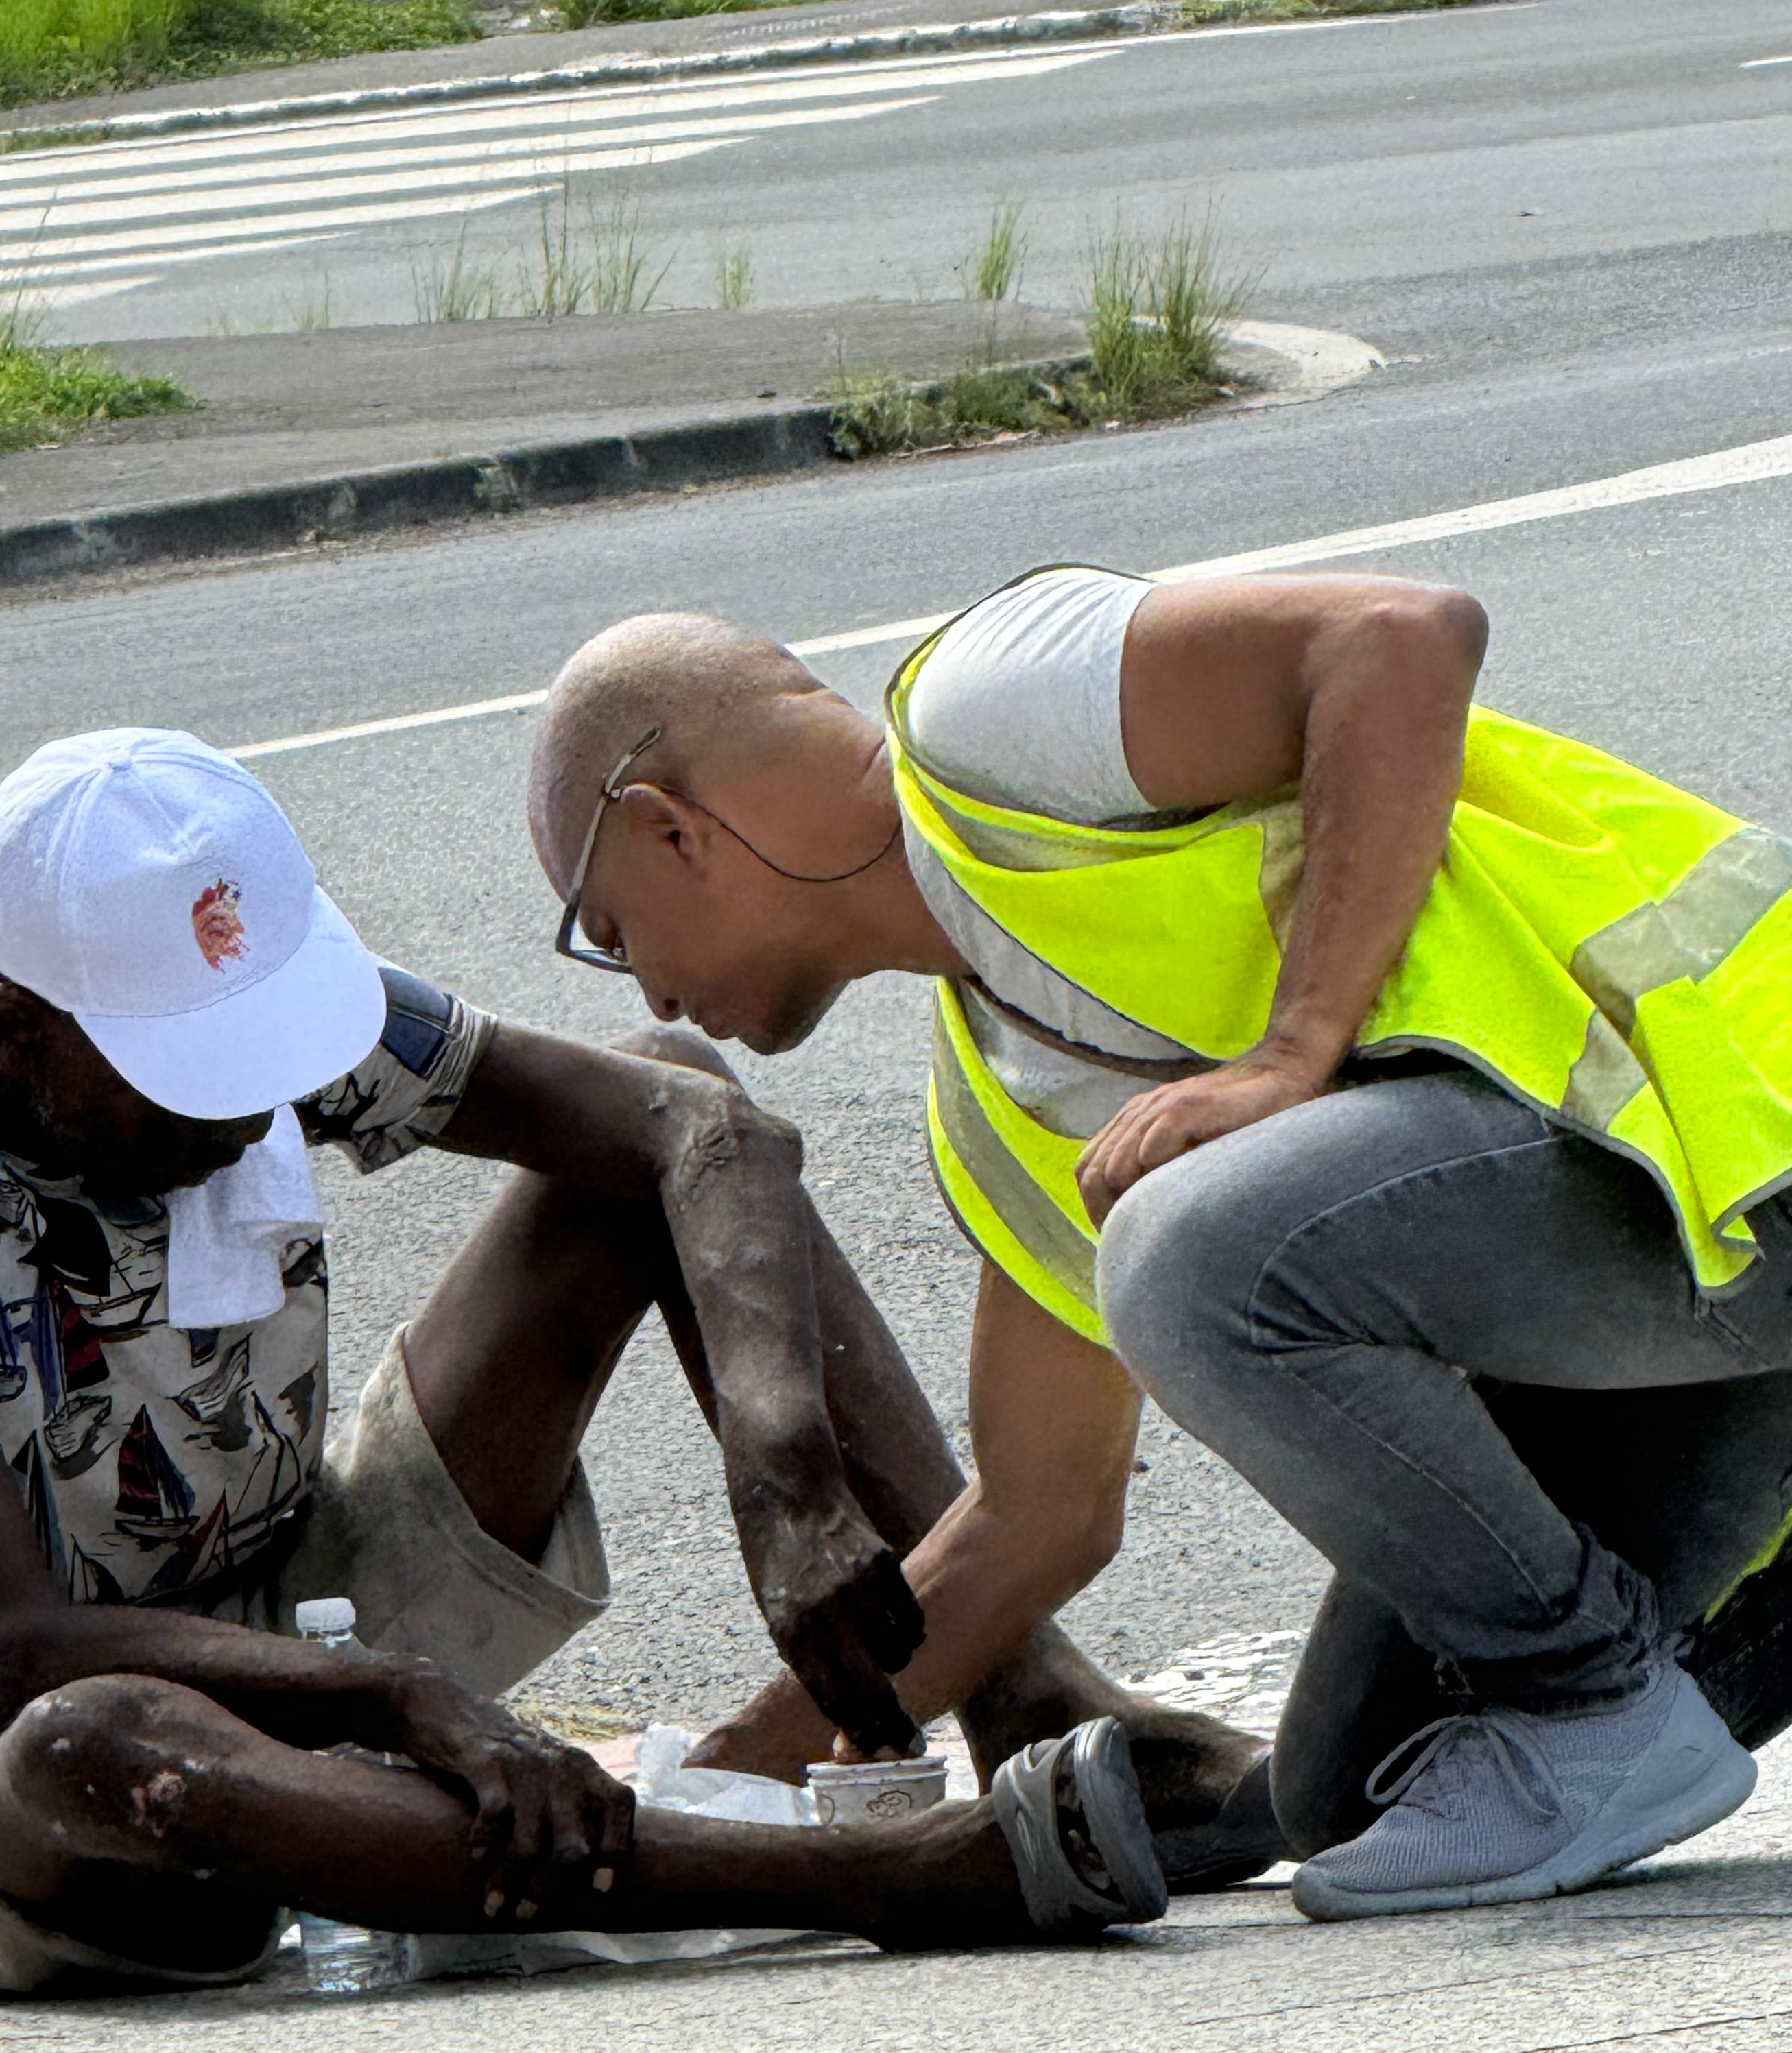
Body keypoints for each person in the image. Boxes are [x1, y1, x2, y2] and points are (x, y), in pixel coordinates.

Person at [0, 725, 1203, 2011]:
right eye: (196, 1085)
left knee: (663, 1113)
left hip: (288, 1605)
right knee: (102, 1743)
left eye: (264, 1059)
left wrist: (783, 1462)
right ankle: (877, 1880)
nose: (249, 1111)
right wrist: (397, 1702)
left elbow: (702, 1134)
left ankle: (1026, 1688)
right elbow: (7, 1640)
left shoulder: (218, 991)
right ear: (22, 1029)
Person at [529, 564, 1792, 1920]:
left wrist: (1291, 1052)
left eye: (614, 936)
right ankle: (1641, 1676)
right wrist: (725, 1778)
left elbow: (1402, 636)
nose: (654, 993)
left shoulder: (985, 715)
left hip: (1741, 1120)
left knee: (1189, 1253)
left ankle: (1590, 1693)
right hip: (1679, 1269)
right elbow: (1036, 1517)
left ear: (672, 831)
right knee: (1353, 1791)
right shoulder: (1001, 1102)